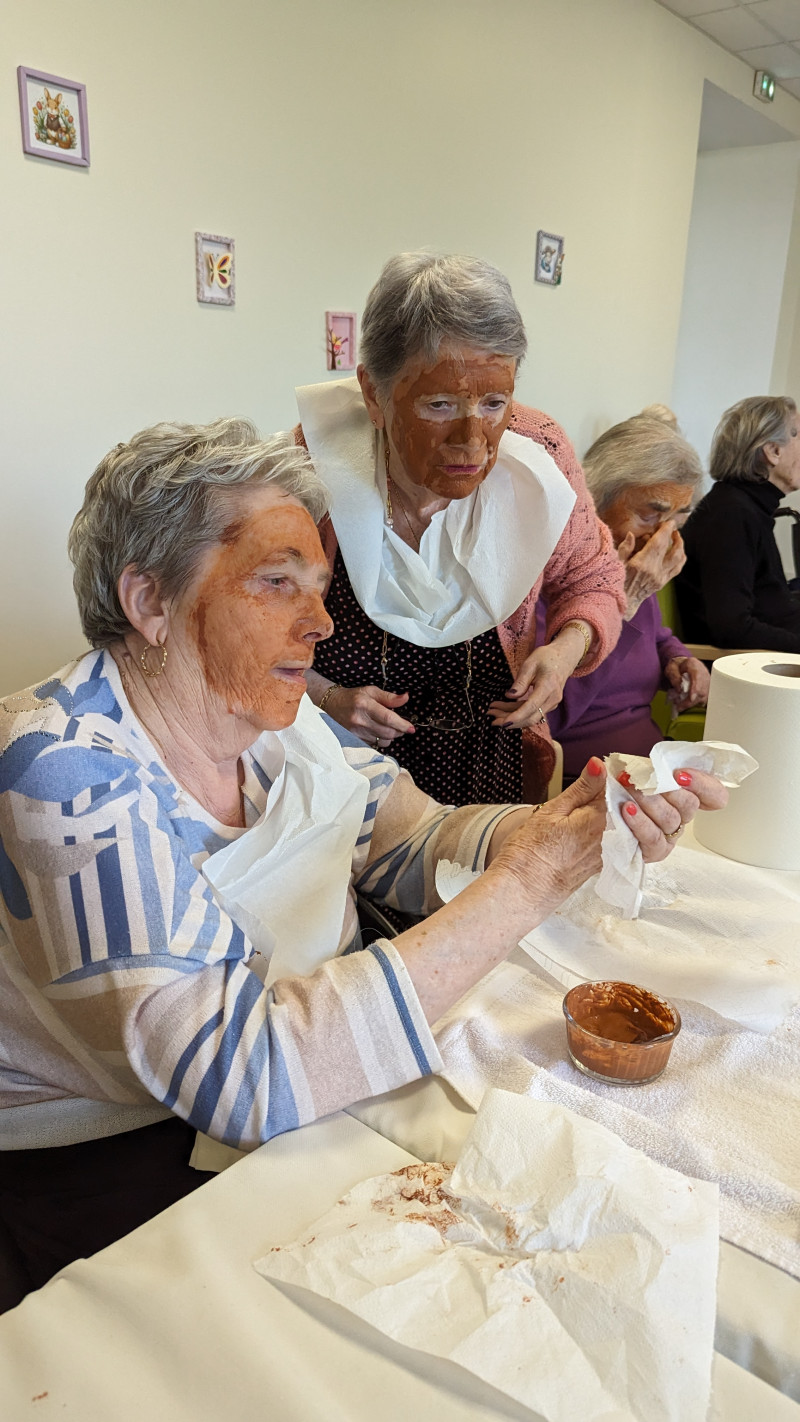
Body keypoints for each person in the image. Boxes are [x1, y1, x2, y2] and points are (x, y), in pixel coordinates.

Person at [0, 419, 725, 1309]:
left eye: (319, 585)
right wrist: (532, 880)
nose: (320, 622)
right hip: (105, 1151)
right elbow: (240, 1075)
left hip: (284, 1097)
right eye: (276, 584)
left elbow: (412, 838)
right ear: (149, 601)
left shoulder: (277, 716)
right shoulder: (62, 771)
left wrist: (558, 825)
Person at [297, 252, 626, 805]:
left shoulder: (538, 455)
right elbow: (243, 640)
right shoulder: (310, 474)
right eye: (440, 404)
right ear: (374, 395)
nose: (473, 440)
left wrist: (568, 648)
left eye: (495, 402)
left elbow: (595, 578)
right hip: (340, 779)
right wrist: (323, 697)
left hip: (488, 778)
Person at [544, 413, 711, 779]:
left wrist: (677, 659)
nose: (662, 537)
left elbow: (656, 634)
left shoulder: (629, 562)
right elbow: (545, 715)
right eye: (651, 515)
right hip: (580, 782)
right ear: (593, 501)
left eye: (679, 519)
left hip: (652, 766)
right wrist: (622, 603)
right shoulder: (549, 570)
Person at [676, 396, 800, 651]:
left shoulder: (746, 508)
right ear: (773, 451)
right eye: (797, 434)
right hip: (752, 673)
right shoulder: (731, 514)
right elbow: (732, 628)